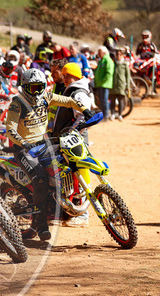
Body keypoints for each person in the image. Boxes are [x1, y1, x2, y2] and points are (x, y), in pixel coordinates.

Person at [5, 68, 94, 241]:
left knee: (66, 161)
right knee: (40, 179)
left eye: (39, 87)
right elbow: (10, 129)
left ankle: (67, 203)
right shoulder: (17, 103)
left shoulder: (46, 97)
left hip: (43, 144)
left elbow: (69, 101)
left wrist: (85, 110)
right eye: (32, 88)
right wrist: (24, 143)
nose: (36, 92)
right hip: (23, 149)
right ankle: (41, 225)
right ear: (24, 87)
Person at [50, 62, 93, 228]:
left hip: (75, 142)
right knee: (70, 178)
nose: (65, 78)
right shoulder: (71, 90)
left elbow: (83, 118)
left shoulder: (79, 93)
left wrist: (71, 134)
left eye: (67, 75)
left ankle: (83, 216)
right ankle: (72, 213)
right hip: (68, 141)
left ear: (75, 75)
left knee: (80, 177)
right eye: (64, 75)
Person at [109, 49, 130, 121]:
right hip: (113, 85)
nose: (118, 56)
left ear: (122, 55)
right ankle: (112, 114)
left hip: (121, 85)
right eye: (117, 54)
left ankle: (120, 115)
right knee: (112, 101)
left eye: (120, 54)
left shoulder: (125, 64)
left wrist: (127, 86)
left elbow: (128, 76)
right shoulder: (113, 63)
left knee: (121, 101)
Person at [94, 46, 114, 119]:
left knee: (104, 100)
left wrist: (103, 80)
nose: (98, 54)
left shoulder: (108, 60)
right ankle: (103, 115)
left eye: (100, 52)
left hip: (105, 84)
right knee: (101, 101)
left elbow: (109, 73)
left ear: (104, 52)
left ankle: (106, 116)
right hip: (100, 84)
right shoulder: (101, 60)